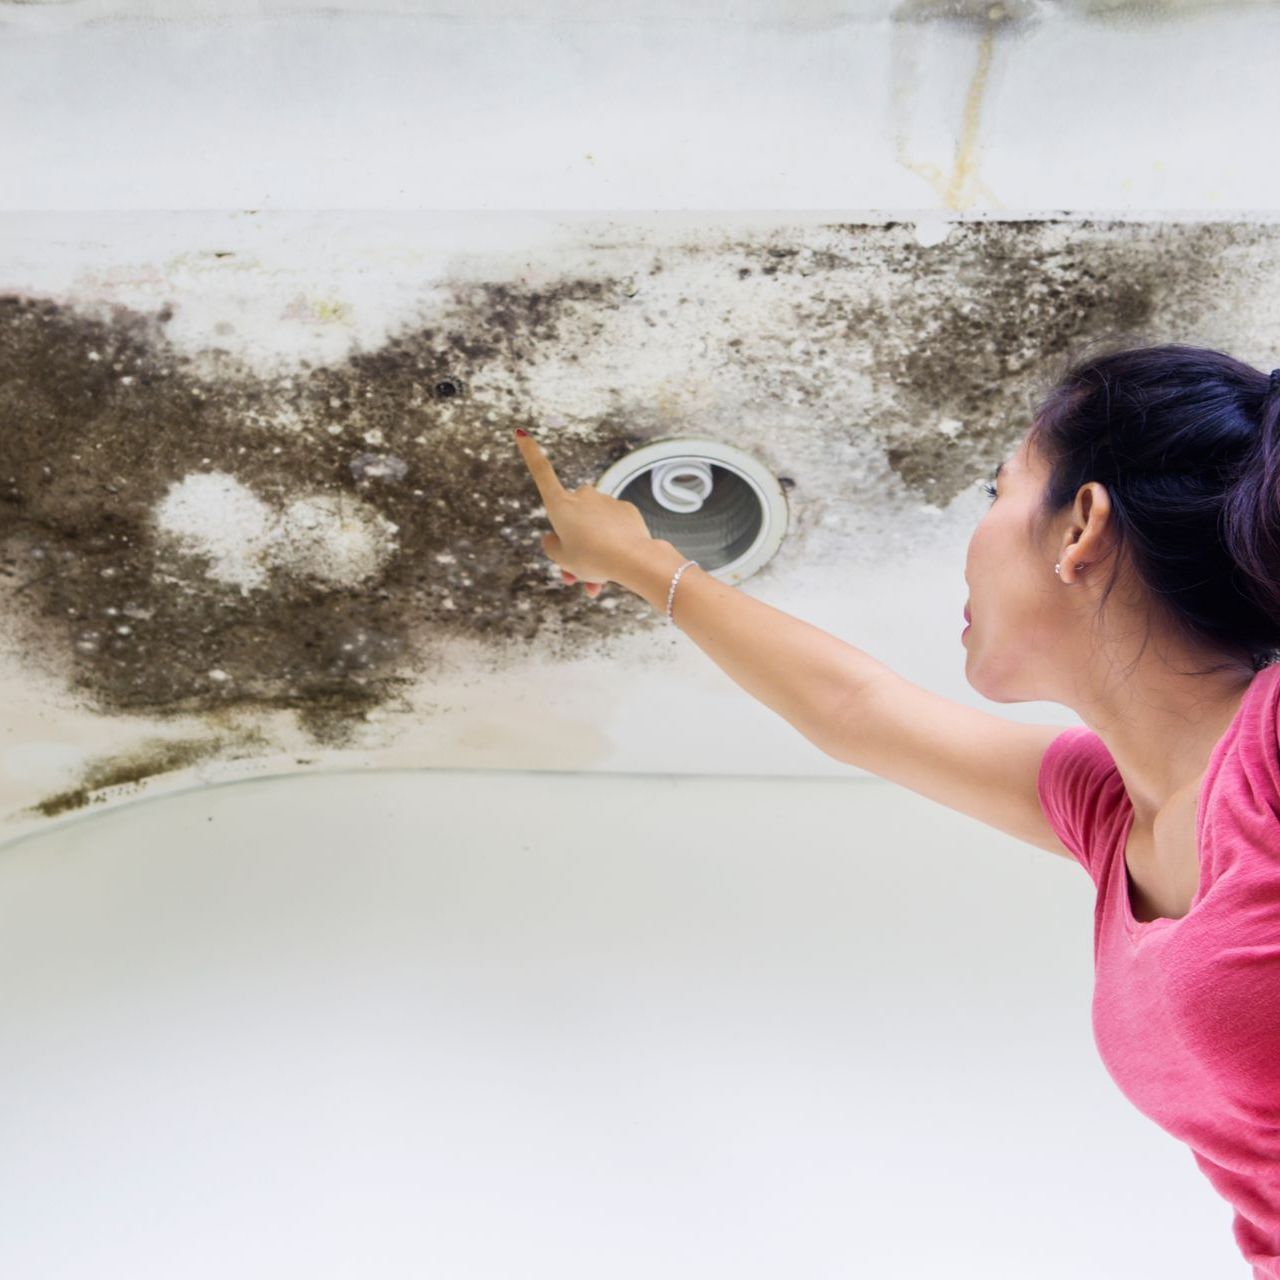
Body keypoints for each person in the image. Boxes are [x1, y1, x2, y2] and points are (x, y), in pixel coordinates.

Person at [514, 339, 1280, 1278]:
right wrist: (641, 564)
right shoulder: (1114, 813)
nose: (975, 534)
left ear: (1080, 524)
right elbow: (856, 710)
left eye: (995, 492)